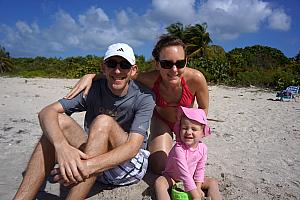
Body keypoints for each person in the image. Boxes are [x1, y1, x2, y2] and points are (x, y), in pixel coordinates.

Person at [66, 35, 220, 194]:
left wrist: (194, 133)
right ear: (157, 64)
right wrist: (91, 76)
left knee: (190, 156)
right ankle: (153, 146)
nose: (174, 69)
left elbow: (203, 109)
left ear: (186, 61)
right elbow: (120, 74)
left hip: (186, 123)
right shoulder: (150, 79)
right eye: (166, 64)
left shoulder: (196, 78)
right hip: (163, 121)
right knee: (160, 166)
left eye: (179, 63)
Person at [13, 43, 155, 200]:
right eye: (111, 64)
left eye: (124, 65)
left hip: (128, 166)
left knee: (103, 122)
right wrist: (62, 147)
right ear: (103, 67)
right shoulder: (92, 89)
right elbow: (46, 112)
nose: (117, 70)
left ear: (133, 70)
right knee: (58, 120)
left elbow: (132, 148)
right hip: (94, 157)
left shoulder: (144, 96)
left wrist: (85, 167)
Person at [155, 106, 221, 200]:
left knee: (212, 182)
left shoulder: (203, 148)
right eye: (184, 128)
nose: (188, 132)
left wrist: (198, 187)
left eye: (194, 129)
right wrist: (195, 195)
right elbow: (184, 173)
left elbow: (200, 169)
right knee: (160, 182)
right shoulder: (178, 149)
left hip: (192, 177)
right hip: (173, 178)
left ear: (202, 132)